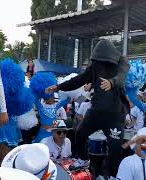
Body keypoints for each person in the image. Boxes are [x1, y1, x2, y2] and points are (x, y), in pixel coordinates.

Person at [46, 39, 130, 178]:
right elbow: (80, 79)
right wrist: (59, 86)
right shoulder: (95, 65)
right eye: (97, 61)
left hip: (114, 115)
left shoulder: (122, 61)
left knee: (115, 148)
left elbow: (121, 77)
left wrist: (111, 82)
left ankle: (110, 175)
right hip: (96, 111)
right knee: (79, 133)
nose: (99, 64)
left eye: (103, 61)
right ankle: (84, 160)